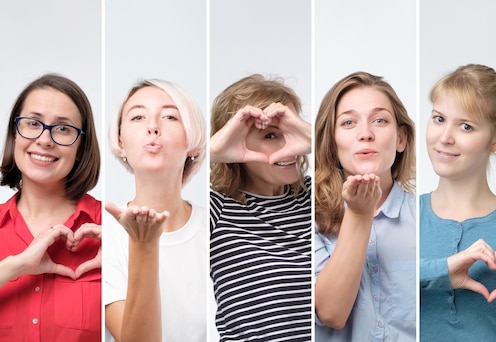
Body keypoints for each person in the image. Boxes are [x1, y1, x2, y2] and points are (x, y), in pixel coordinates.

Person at [419, 64, 496, 341]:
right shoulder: (405, 214)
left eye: (466, 126)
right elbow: (373, 282)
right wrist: (441, 270)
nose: (445, 138)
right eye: (439, 119)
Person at [314, 71, 416, 341]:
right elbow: (331, 313)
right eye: (348, 123)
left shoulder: (425, 216)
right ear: (332, 143)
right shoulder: (307, 220)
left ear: (401, 138)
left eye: (380, 120)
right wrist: (359, 214)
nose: (365, 134)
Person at [209, 74, 312, 341]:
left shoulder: (316, 195)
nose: (288, 148)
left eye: (289, 132)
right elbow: (164, 194)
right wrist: (212, 151)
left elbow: (363, 161)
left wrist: (311, 137)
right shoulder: (217, 208)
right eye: (270, 135)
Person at [0, 74, 102, 341]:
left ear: (81, 147)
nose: (45, 139)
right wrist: (14, 267)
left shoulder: (112, 229)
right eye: (33, 123)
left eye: (63, 129)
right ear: (14, 133)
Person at [103, 79, 207, 341]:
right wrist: (143, 243)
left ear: (193, 141)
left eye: (170, 116)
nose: (152, 127)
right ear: (121, 141)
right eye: (137, 117)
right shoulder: (102, 235)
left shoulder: (217, 225)